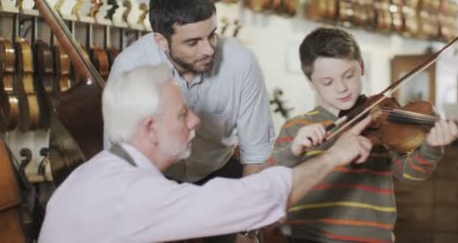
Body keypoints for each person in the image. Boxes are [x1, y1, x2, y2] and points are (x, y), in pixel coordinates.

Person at [38, 64, 374, 242]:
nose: (196, 121)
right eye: (183, 114)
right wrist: (331, 157)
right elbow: (249, 201)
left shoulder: (99, 173)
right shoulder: (128, 192)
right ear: (150, 128)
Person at [108, 0, 273, 232]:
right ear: (161, 41)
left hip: (220, 175)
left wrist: (247, 228)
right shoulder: (130, 67)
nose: (208, 49)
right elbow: (121, 160)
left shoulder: (241, 63)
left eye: (211, 35)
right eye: (193, 42)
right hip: (155, 183)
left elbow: (256, 154)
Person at [269, 27, 458, 243]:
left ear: (361, 66)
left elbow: (410, 174)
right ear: (310, 81)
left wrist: (431, 147)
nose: (341, 88)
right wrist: (294, 151)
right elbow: (269, 181)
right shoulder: (297, 128)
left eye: (348, 75)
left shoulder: (380, 122)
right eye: (327, 82)